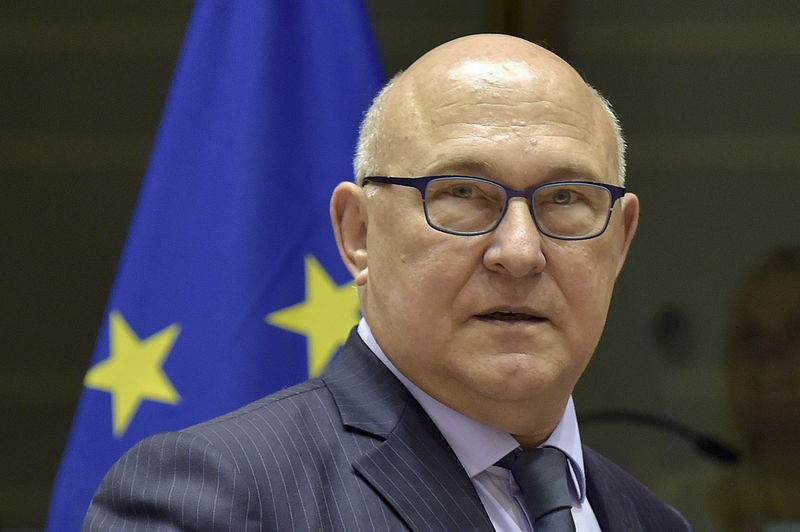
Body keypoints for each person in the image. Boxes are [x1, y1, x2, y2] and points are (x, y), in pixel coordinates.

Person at [84, 34, 690, 531]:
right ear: (358, 235)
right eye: (461, 194)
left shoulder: (653, 523)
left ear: (619, 241)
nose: (520, 252)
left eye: (564, 199)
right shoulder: (214, 501)